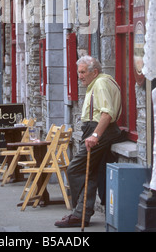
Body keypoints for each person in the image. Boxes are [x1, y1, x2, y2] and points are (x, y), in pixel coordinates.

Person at [55, 55, 122, 228]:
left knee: (75, 169)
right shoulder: (102, 82)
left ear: (95, 72)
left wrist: (95, 135)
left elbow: (107, 113)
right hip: (97, 130)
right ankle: (81, 214)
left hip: (99, 130)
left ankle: (80, 211)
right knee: (90, 174)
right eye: (79, 72)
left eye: (83, 72)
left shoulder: (100, 84)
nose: (80, 76)